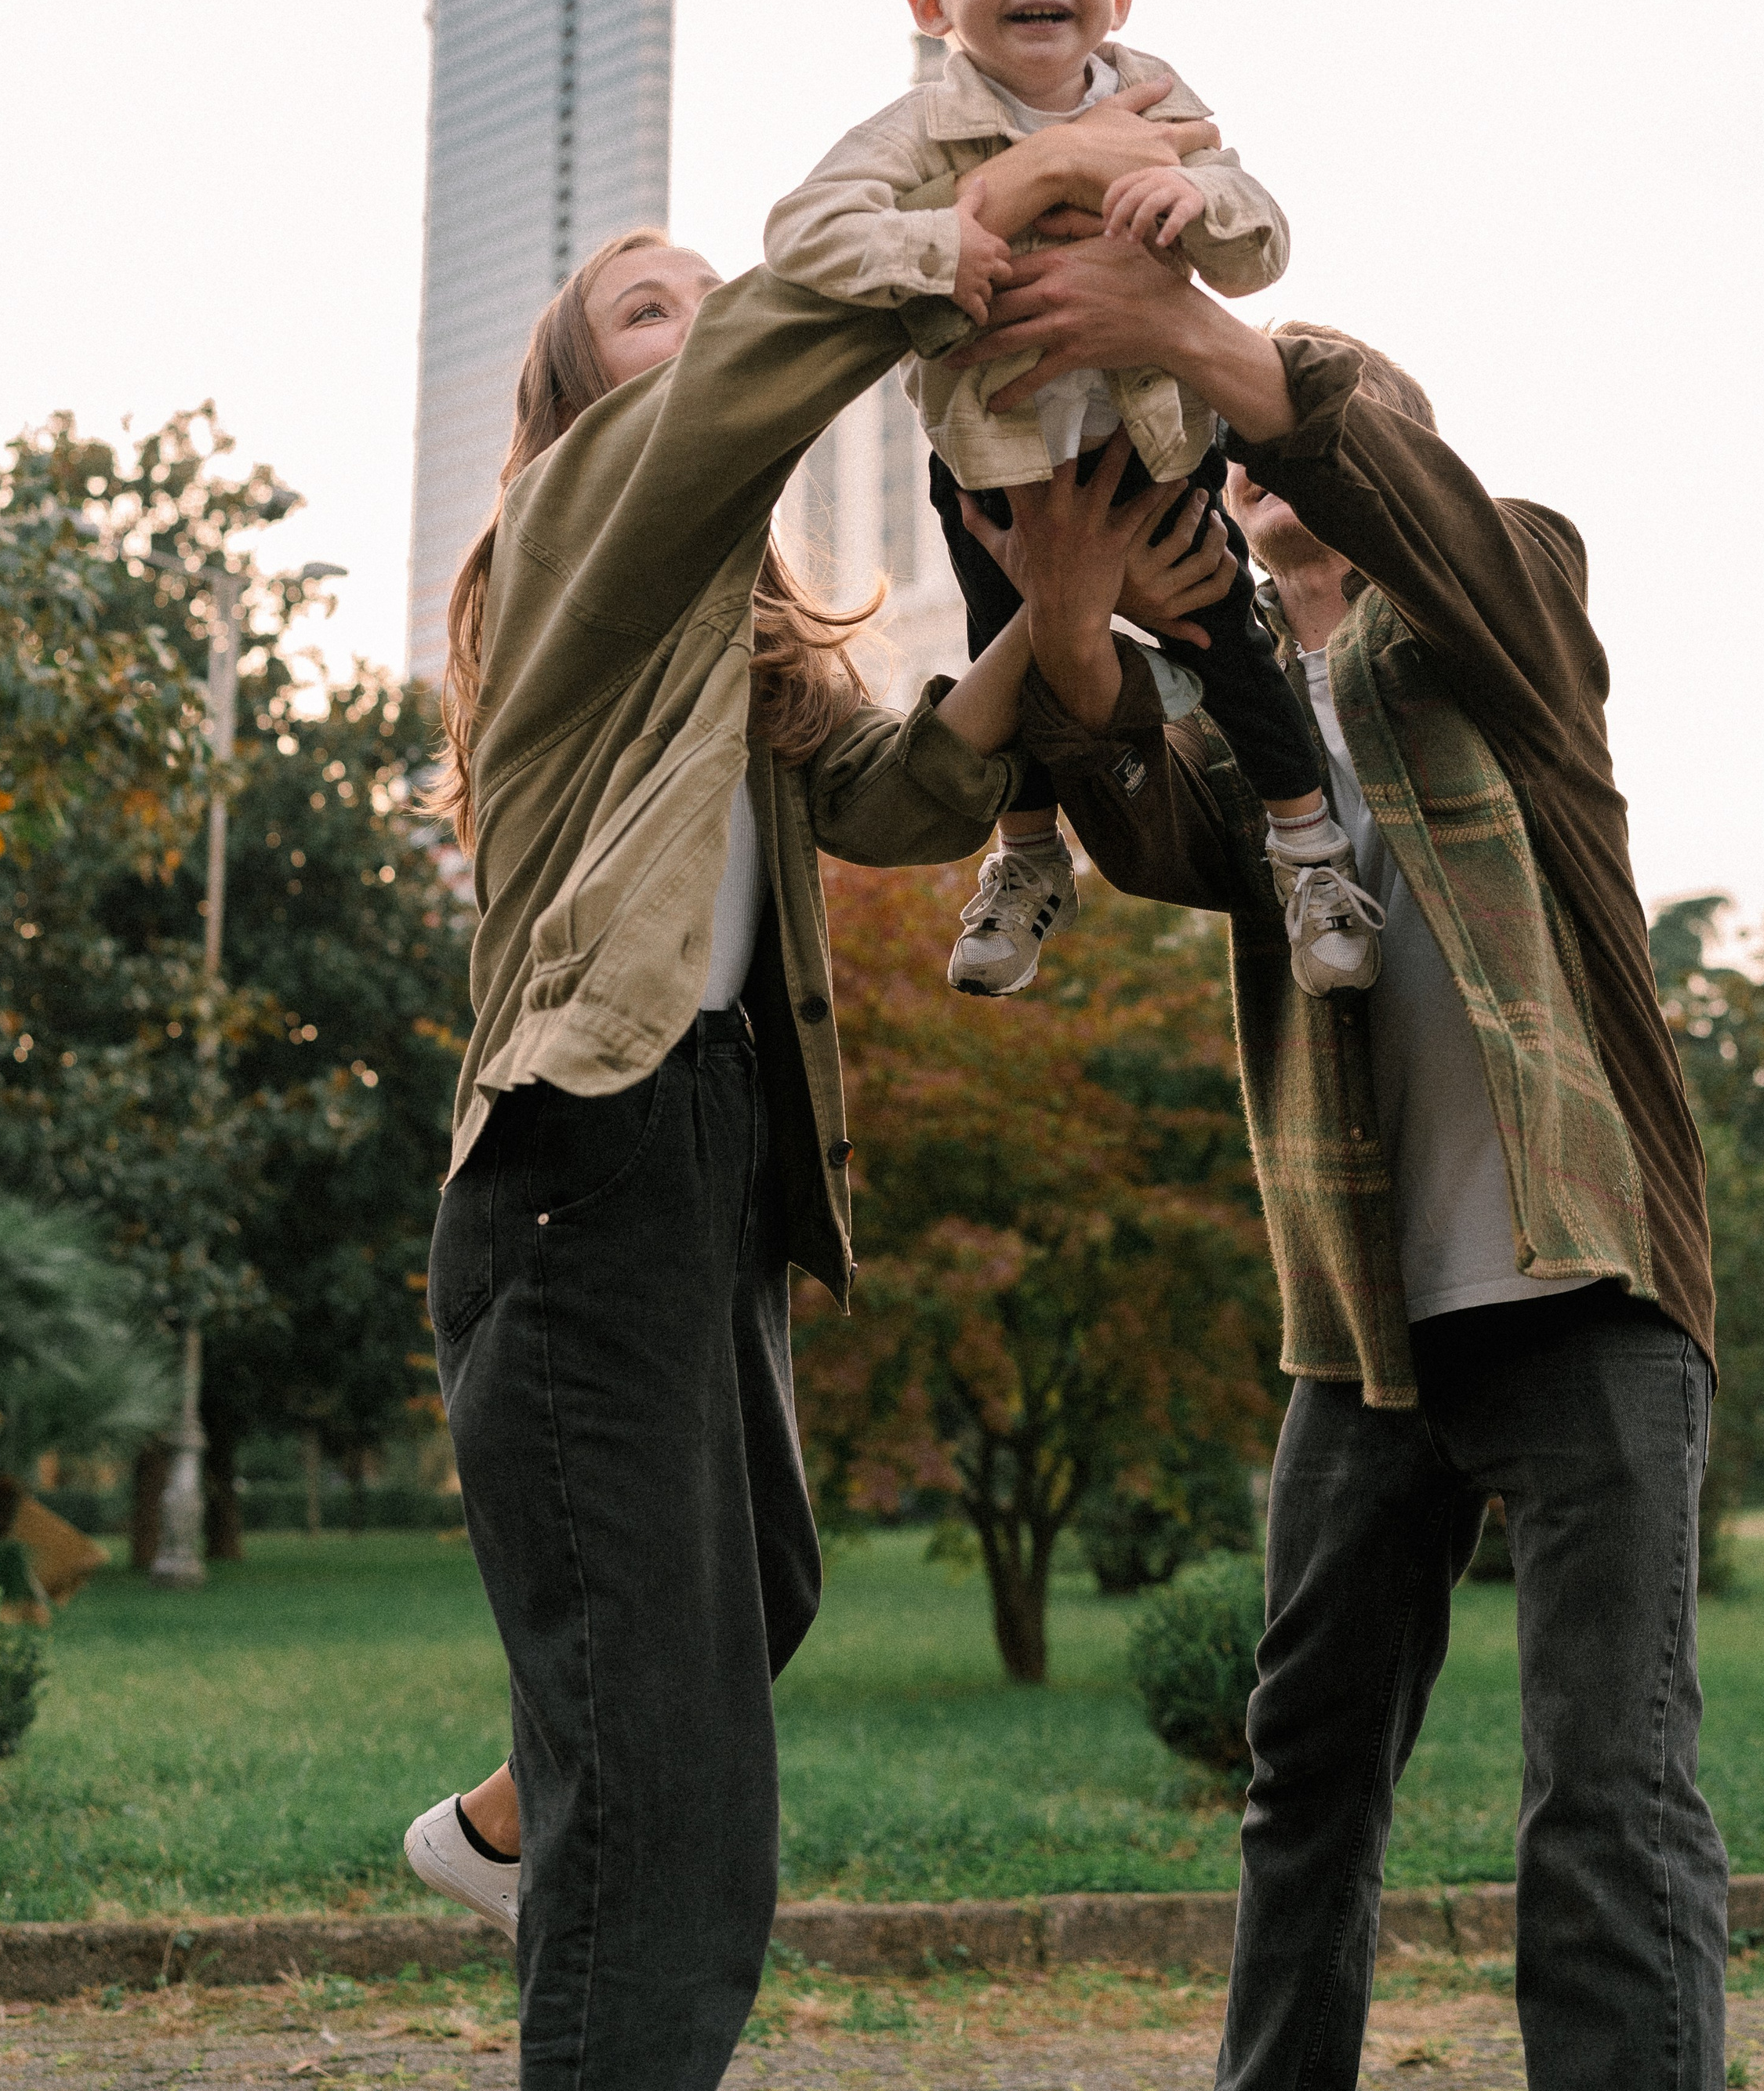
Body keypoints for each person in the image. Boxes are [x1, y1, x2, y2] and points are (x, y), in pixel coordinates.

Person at [402, 134, 1235, 2090]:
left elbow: (892, 800)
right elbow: (750, 368)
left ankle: (531, 1828)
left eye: (706, 297)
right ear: (575, 391)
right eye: (644, 309)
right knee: (681, 1793)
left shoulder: (732, 663)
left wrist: (1057, 606)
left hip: (708, 1155)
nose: (692, 323)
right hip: (580, 1152)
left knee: (742, 1604)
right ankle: (600, 1871)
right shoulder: (571, 532)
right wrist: (967, 211)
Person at [964, 234, 1728, 2089]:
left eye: (1277, 413)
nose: (1240, 451)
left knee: (1603, 1793)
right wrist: (1084, 636)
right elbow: (1144, 823)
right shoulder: (1246, 714)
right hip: (1363, 1337)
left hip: (1587, 1289)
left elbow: (1417, 520)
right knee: (1302, 1771)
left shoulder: (1511, 604)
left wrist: (1220, 353)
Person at [765, 0, 1377, 1002]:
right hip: (991, 456)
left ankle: (1309, 852)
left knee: (1221, 635)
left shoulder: (1160, 105)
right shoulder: (915, 130)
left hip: (1150, 445)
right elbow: (800, 234)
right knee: (1010, 643)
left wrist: (1188, 200)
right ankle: (1025, 859)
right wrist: (938, 243)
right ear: (930, 2)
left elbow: (1262, 246)